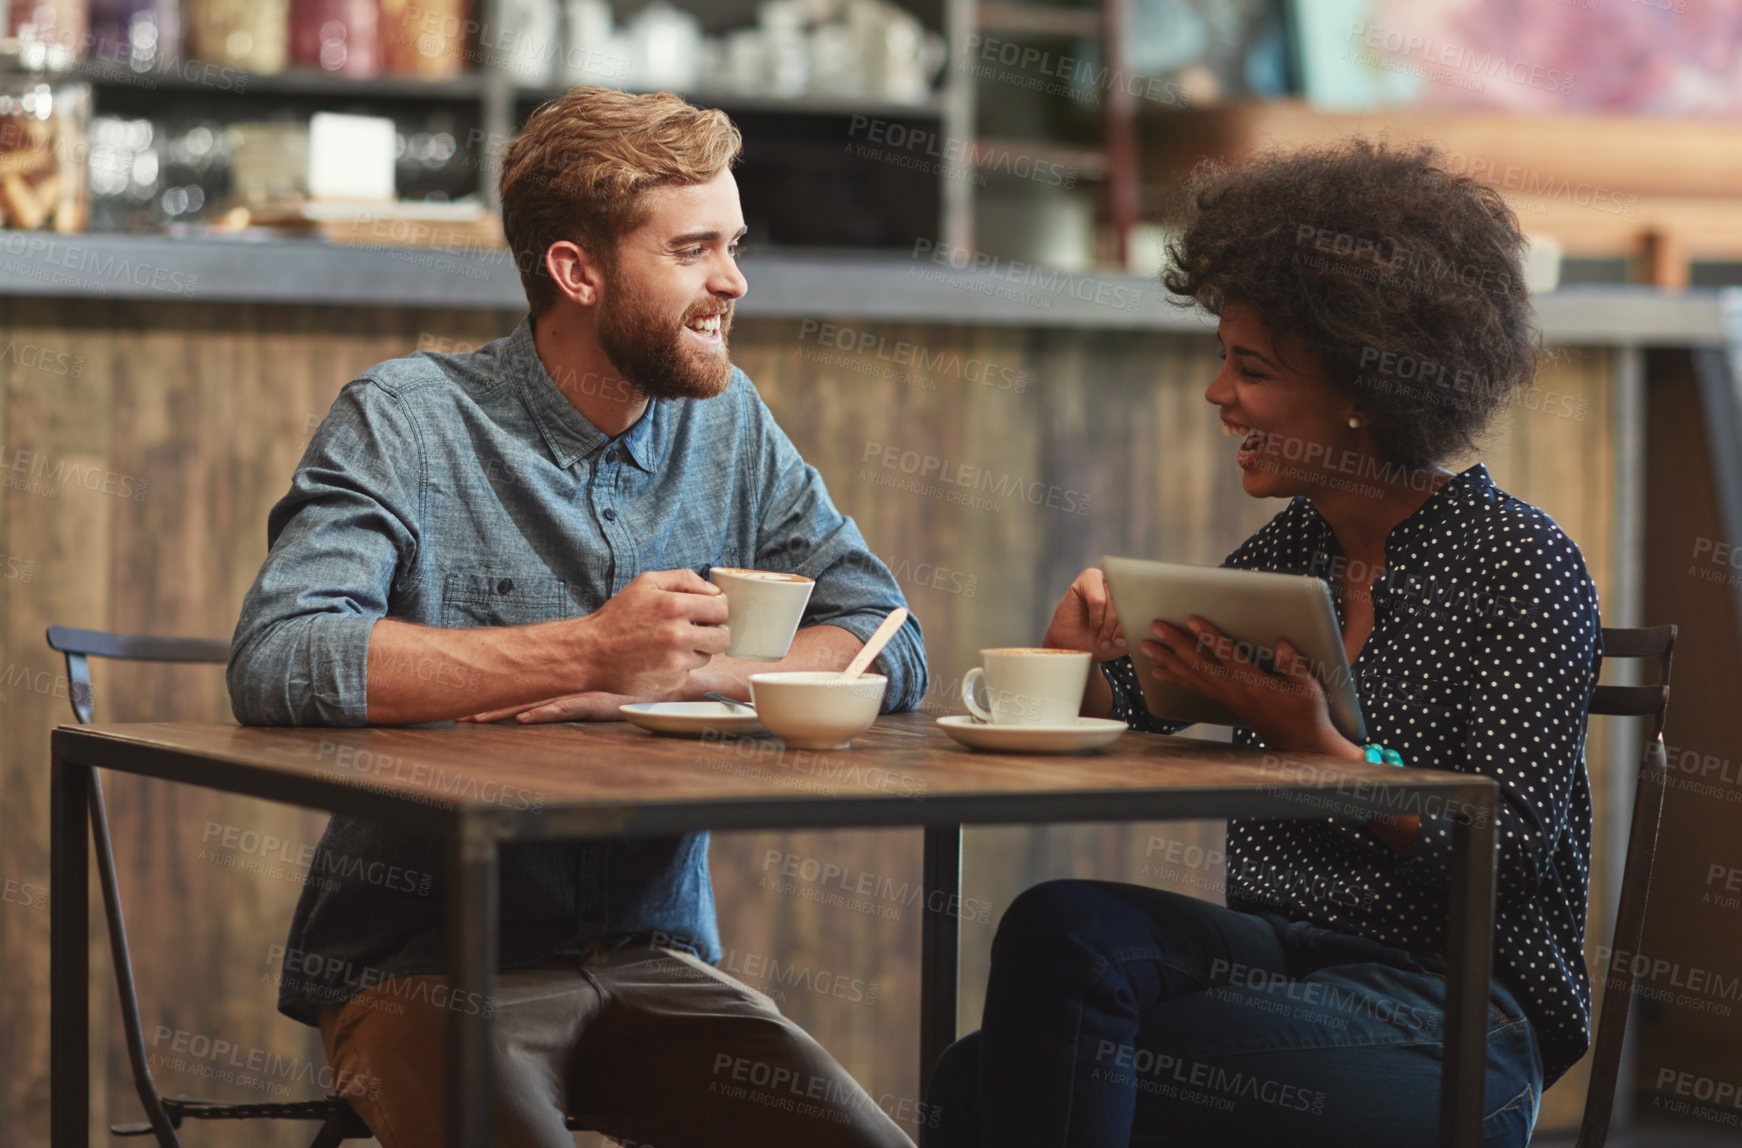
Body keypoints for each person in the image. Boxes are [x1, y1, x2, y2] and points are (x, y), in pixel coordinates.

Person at [228, 86, 925, 1148]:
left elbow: (887, 633)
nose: (731, 281)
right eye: (694, 250)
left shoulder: (729, 427)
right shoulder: (409, 418)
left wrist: (697, 673)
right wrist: (587, 647)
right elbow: (281, 655)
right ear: (576, 270)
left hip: (654, 957)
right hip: (423, 965)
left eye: (732, 246)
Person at [923, 140, 1599, 1148]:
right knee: (1058, 927)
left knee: (991, 1073)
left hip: (1459, 1011)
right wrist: (1078, 665)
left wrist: (1326, 759)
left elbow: (1497, 856)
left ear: (1360, 386)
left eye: (1251, 368)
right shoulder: (1298, 547)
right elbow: (1148, 689)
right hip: (1288, 956)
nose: (1217, 395)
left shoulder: (1517, 560)